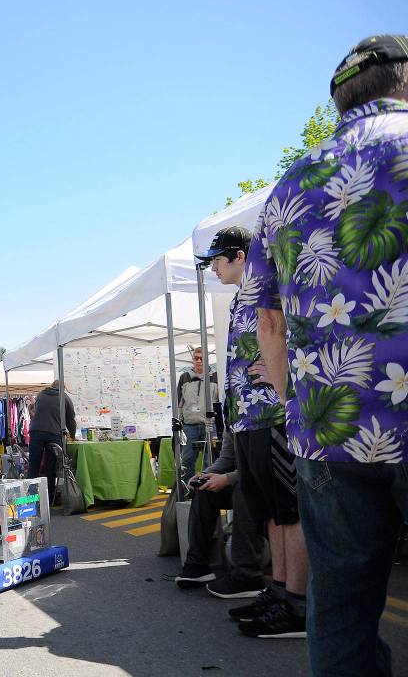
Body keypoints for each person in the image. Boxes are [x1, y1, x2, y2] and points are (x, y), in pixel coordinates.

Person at [242, 35, 408, 674]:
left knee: (339, 607)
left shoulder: (290, 186)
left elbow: (269, 320)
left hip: (328, 426)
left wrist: (294, 401)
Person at [196, 226, 309, 640]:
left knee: (289, 511)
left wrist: (284, 373)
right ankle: (280, 592)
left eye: (217, 261)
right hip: (248, 420)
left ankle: (298, 603)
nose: (213, 270)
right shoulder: (243, 295)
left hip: (273, 416)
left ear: (240, 256)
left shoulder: (272, 283)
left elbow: (296, 330)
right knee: (272, 514)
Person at [174, 431, 266, 598]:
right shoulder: (233, 414)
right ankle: (197, 564)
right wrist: (205, 475)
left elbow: (264, 465)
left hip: (268, 483)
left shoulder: (263, 411)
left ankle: (248, 574)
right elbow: (226, 458)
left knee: (244, 489)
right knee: (204, 490)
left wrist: (227, 478)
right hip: (243, 477)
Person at [27, 381, 77, 499]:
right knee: (50, 467)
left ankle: (30, 498)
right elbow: (71, 420)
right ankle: (48, 499)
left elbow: (37, 411)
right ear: (63, 388)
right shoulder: (64, 398)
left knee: (34, 466)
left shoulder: (41, 395)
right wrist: (73, 435)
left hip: (36, 432)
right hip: (53, 434)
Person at [176, 347, 218, 485]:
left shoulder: (216, 376)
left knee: (210, 461)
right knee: (187, 460)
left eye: (202, 358)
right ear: (193, 359)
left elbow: (219, 401)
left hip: (210, 425)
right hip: (189, 425)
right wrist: (180, 420)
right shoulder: (184, 377)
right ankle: (188, 490)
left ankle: (207, 490)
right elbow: (179, 402)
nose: (199, 361)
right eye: (196, 358)